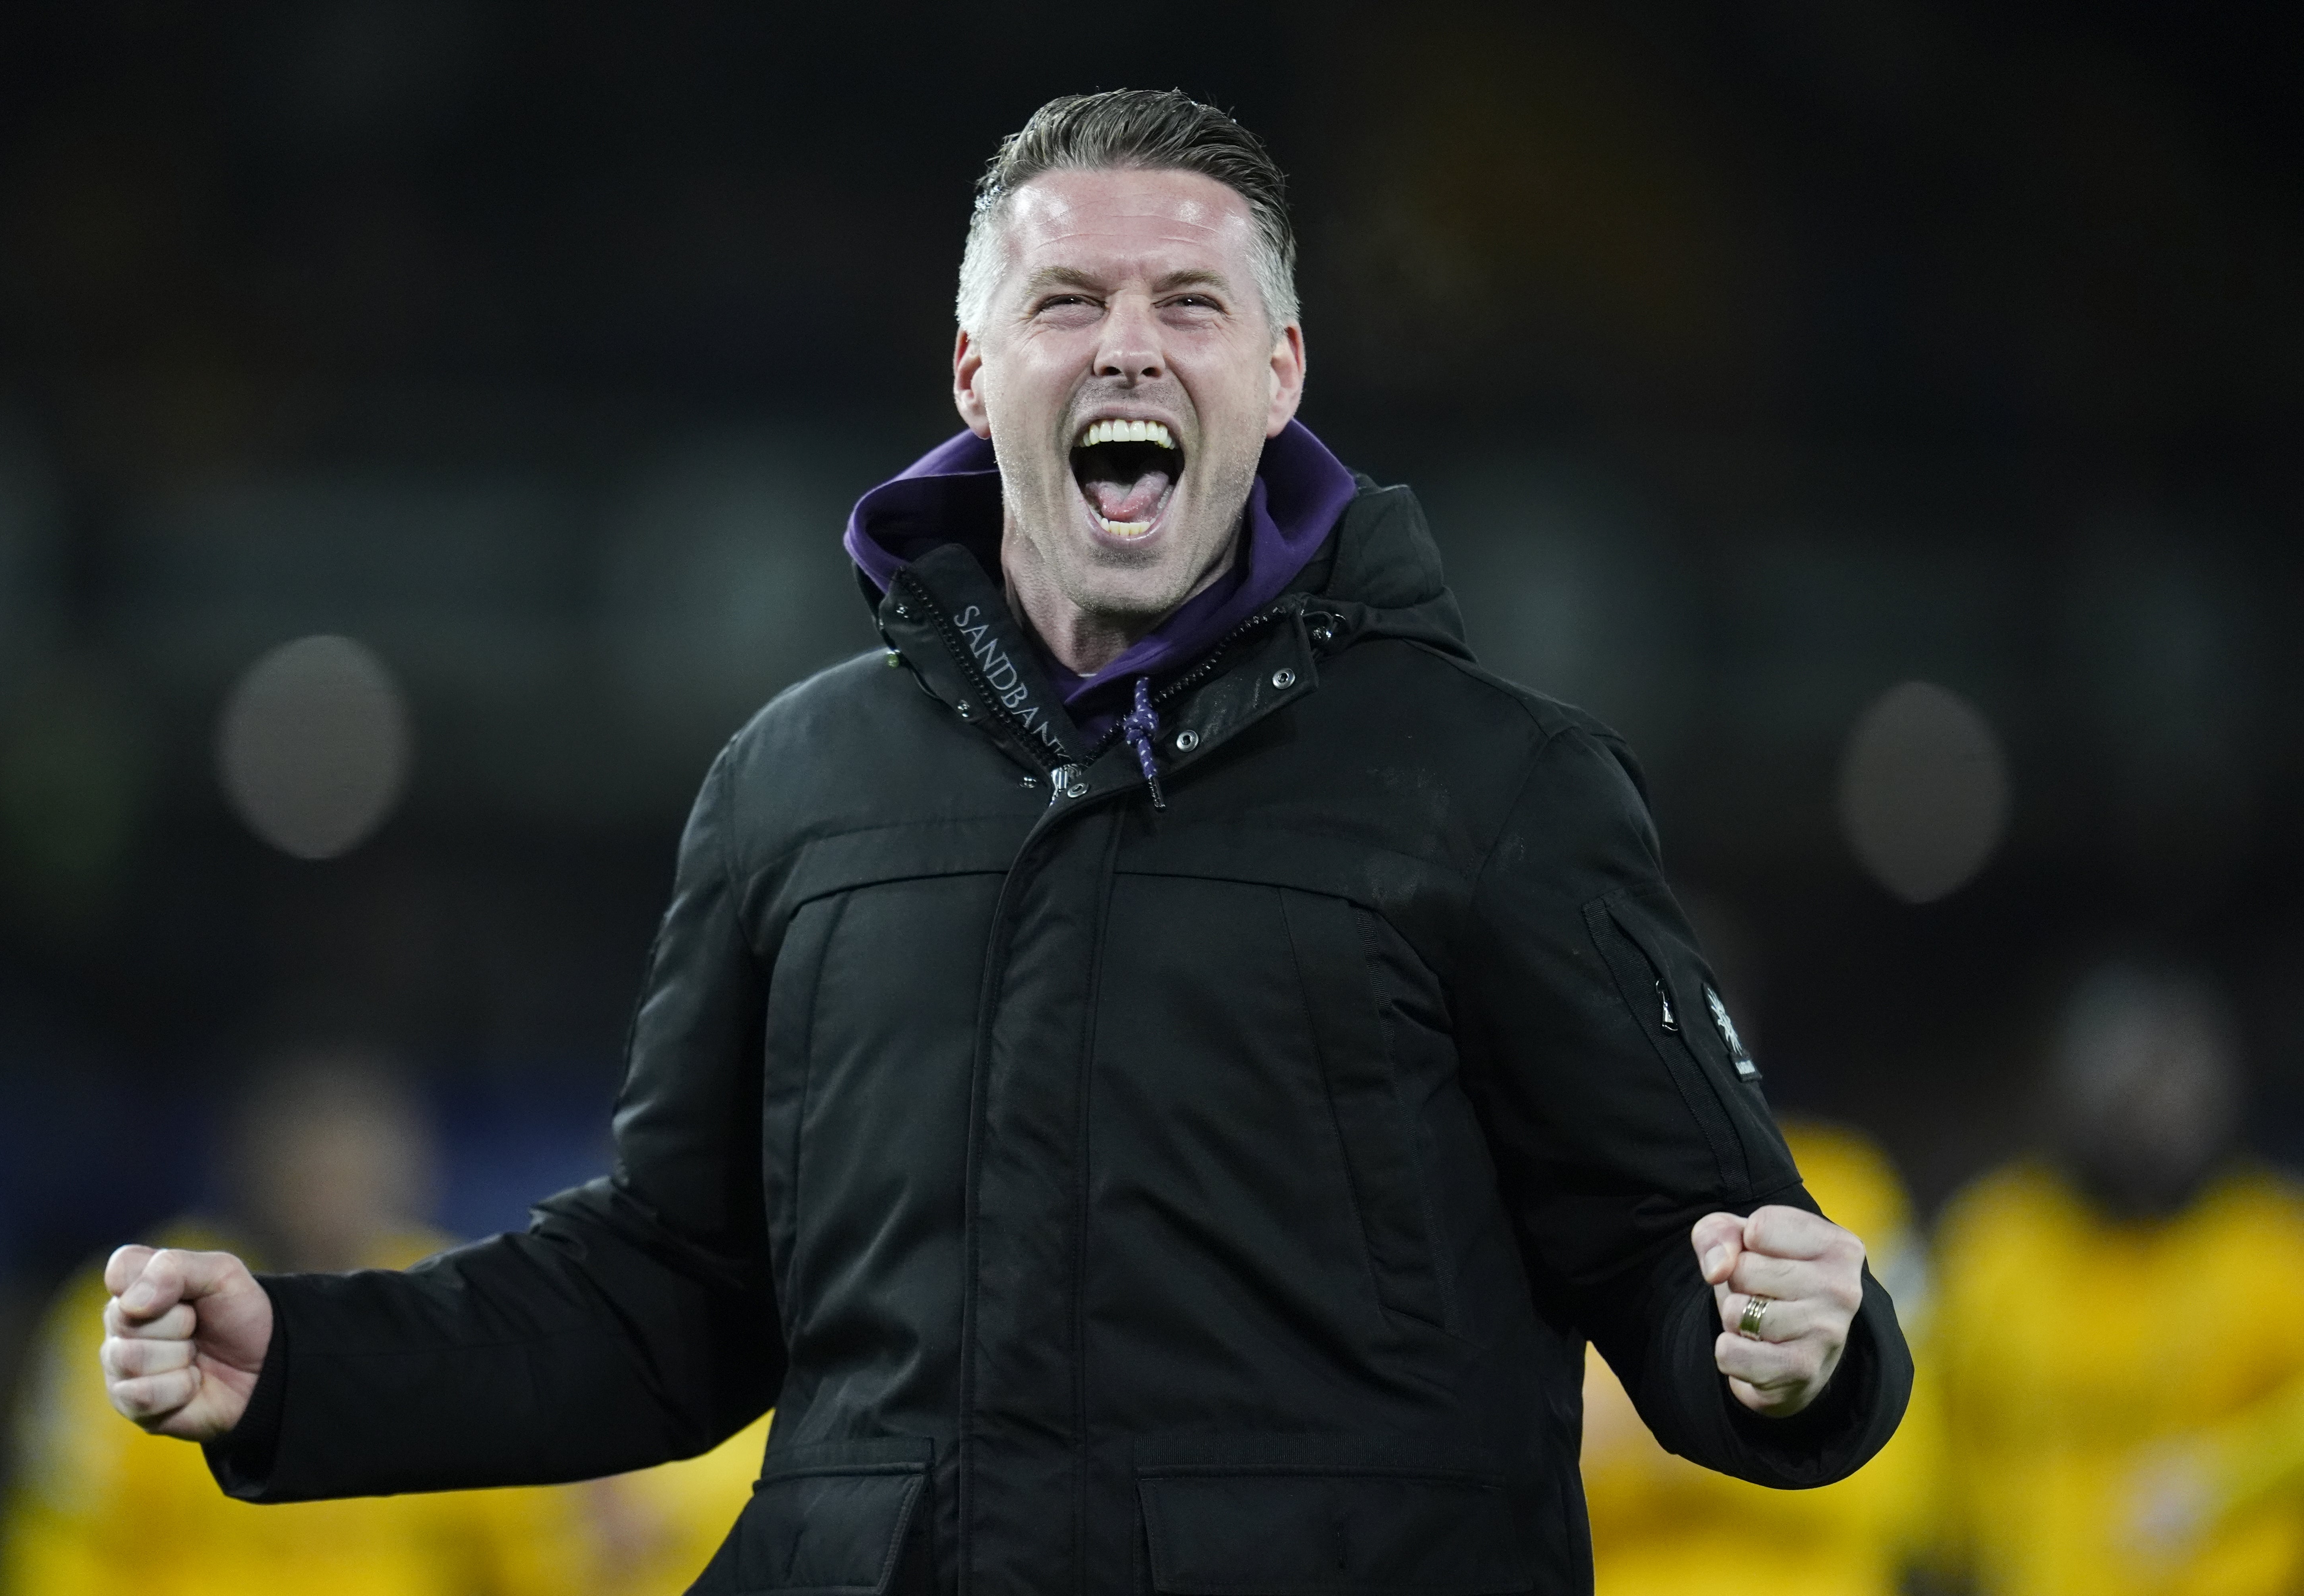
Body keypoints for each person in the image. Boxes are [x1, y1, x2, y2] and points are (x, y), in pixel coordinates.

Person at [94, 91, 1912, 1596]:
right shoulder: (788, 785)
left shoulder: (1496, 787)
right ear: (972, 370)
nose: (1127, 340)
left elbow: (1686, 1267)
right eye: (1067, 301)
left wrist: (1794, 1349)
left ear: (1280, 374)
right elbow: (670, 1290)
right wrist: (310, 1365)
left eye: (1188, 304)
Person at [0, 1053, 597, 1596]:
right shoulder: (144, 1301)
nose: (331, 1187)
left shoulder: (460, 1306)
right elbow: (66, 1548)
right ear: (248, 1161)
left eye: (355, 1158)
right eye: (309, 1157)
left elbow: (535, 1557)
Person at [1929, 961, 2304, 1596]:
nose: (2163, 1110)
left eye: (2185, 1080)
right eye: (2136, 1081)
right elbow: (1938, 1444)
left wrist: (2228, 1477)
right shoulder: (1995, 1241)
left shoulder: (2270, 1241)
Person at [1580, 1119, 1938, 1596]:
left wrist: (1647, 1417)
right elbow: (1531, 1454)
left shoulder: (1844, 1186)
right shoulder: (1557, 1193)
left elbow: (1899, 1477)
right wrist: (1741, 1384)